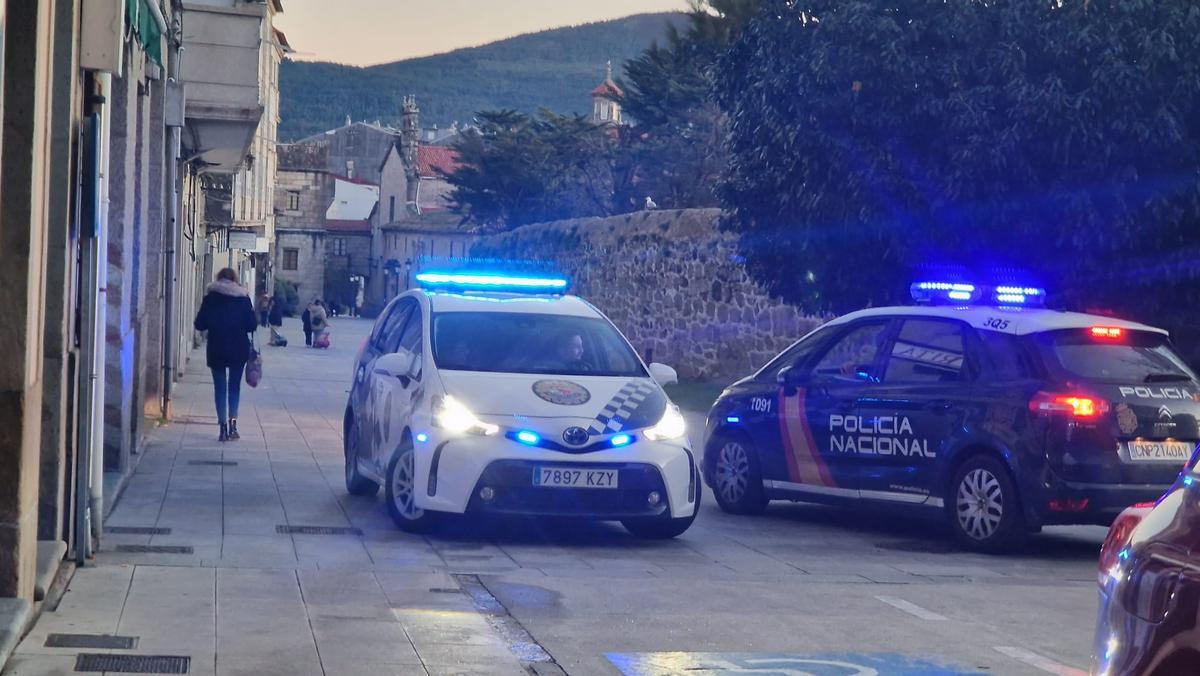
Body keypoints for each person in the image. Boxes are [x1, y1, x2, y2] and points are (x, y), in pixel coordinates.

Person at [194, 268, 257, 442]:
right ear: (235, 279)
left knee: (220, 387)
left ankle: (222, 427)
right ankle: (233, 425)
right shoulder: (243, 299)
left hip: (216, 347)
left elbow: (199, 324)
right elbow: (252, 325)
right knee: (234, 386)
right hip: (238, 348)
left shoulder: (210, 298)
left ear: (218, 278)